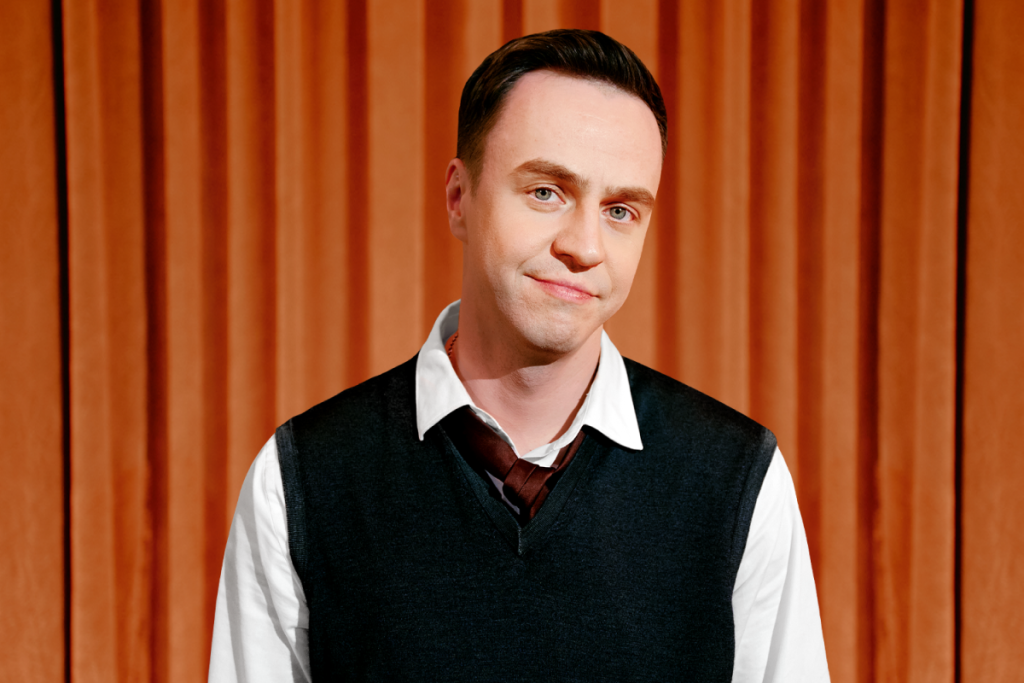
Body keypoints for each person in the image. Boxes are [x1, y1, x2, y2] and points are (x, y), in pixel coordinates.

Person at [209, 29, 829, 682]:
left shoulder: (738, 481)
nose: (585, 245)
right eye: (546, 192)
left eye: (621, 210)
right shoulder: (302, 482)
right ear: (459, 198)